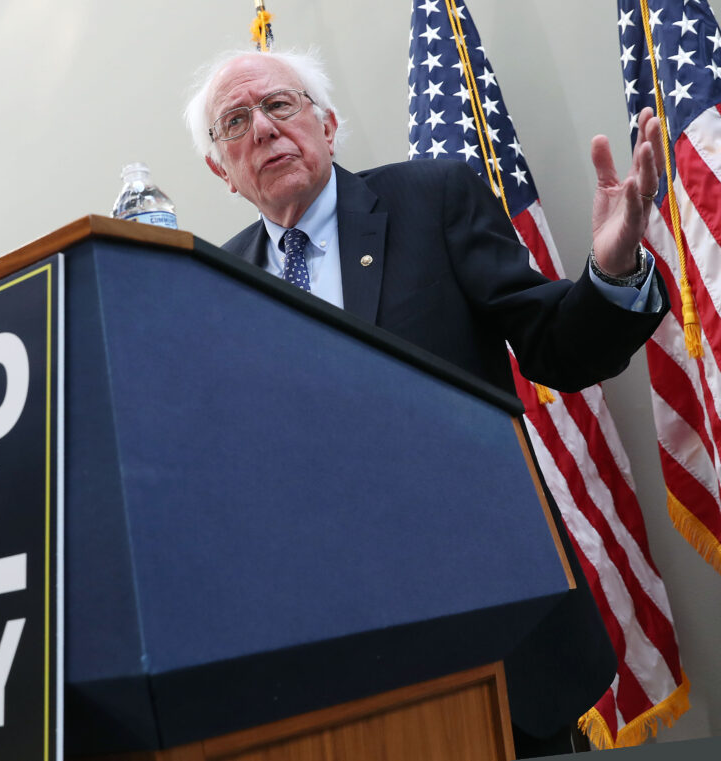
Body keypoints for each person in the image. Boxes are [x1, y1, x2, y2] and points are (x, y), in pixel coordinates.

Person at [185, 49, 668, 756]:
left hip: (491, 638)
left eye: (280, 105)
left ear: (327, 122)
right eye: (235, 121)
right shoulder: (211, 286)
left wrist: (612, 270)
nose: (262, 128)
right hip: (326, 671)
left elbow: (555, 348)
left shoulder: (429, 199)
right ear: (219, 170)